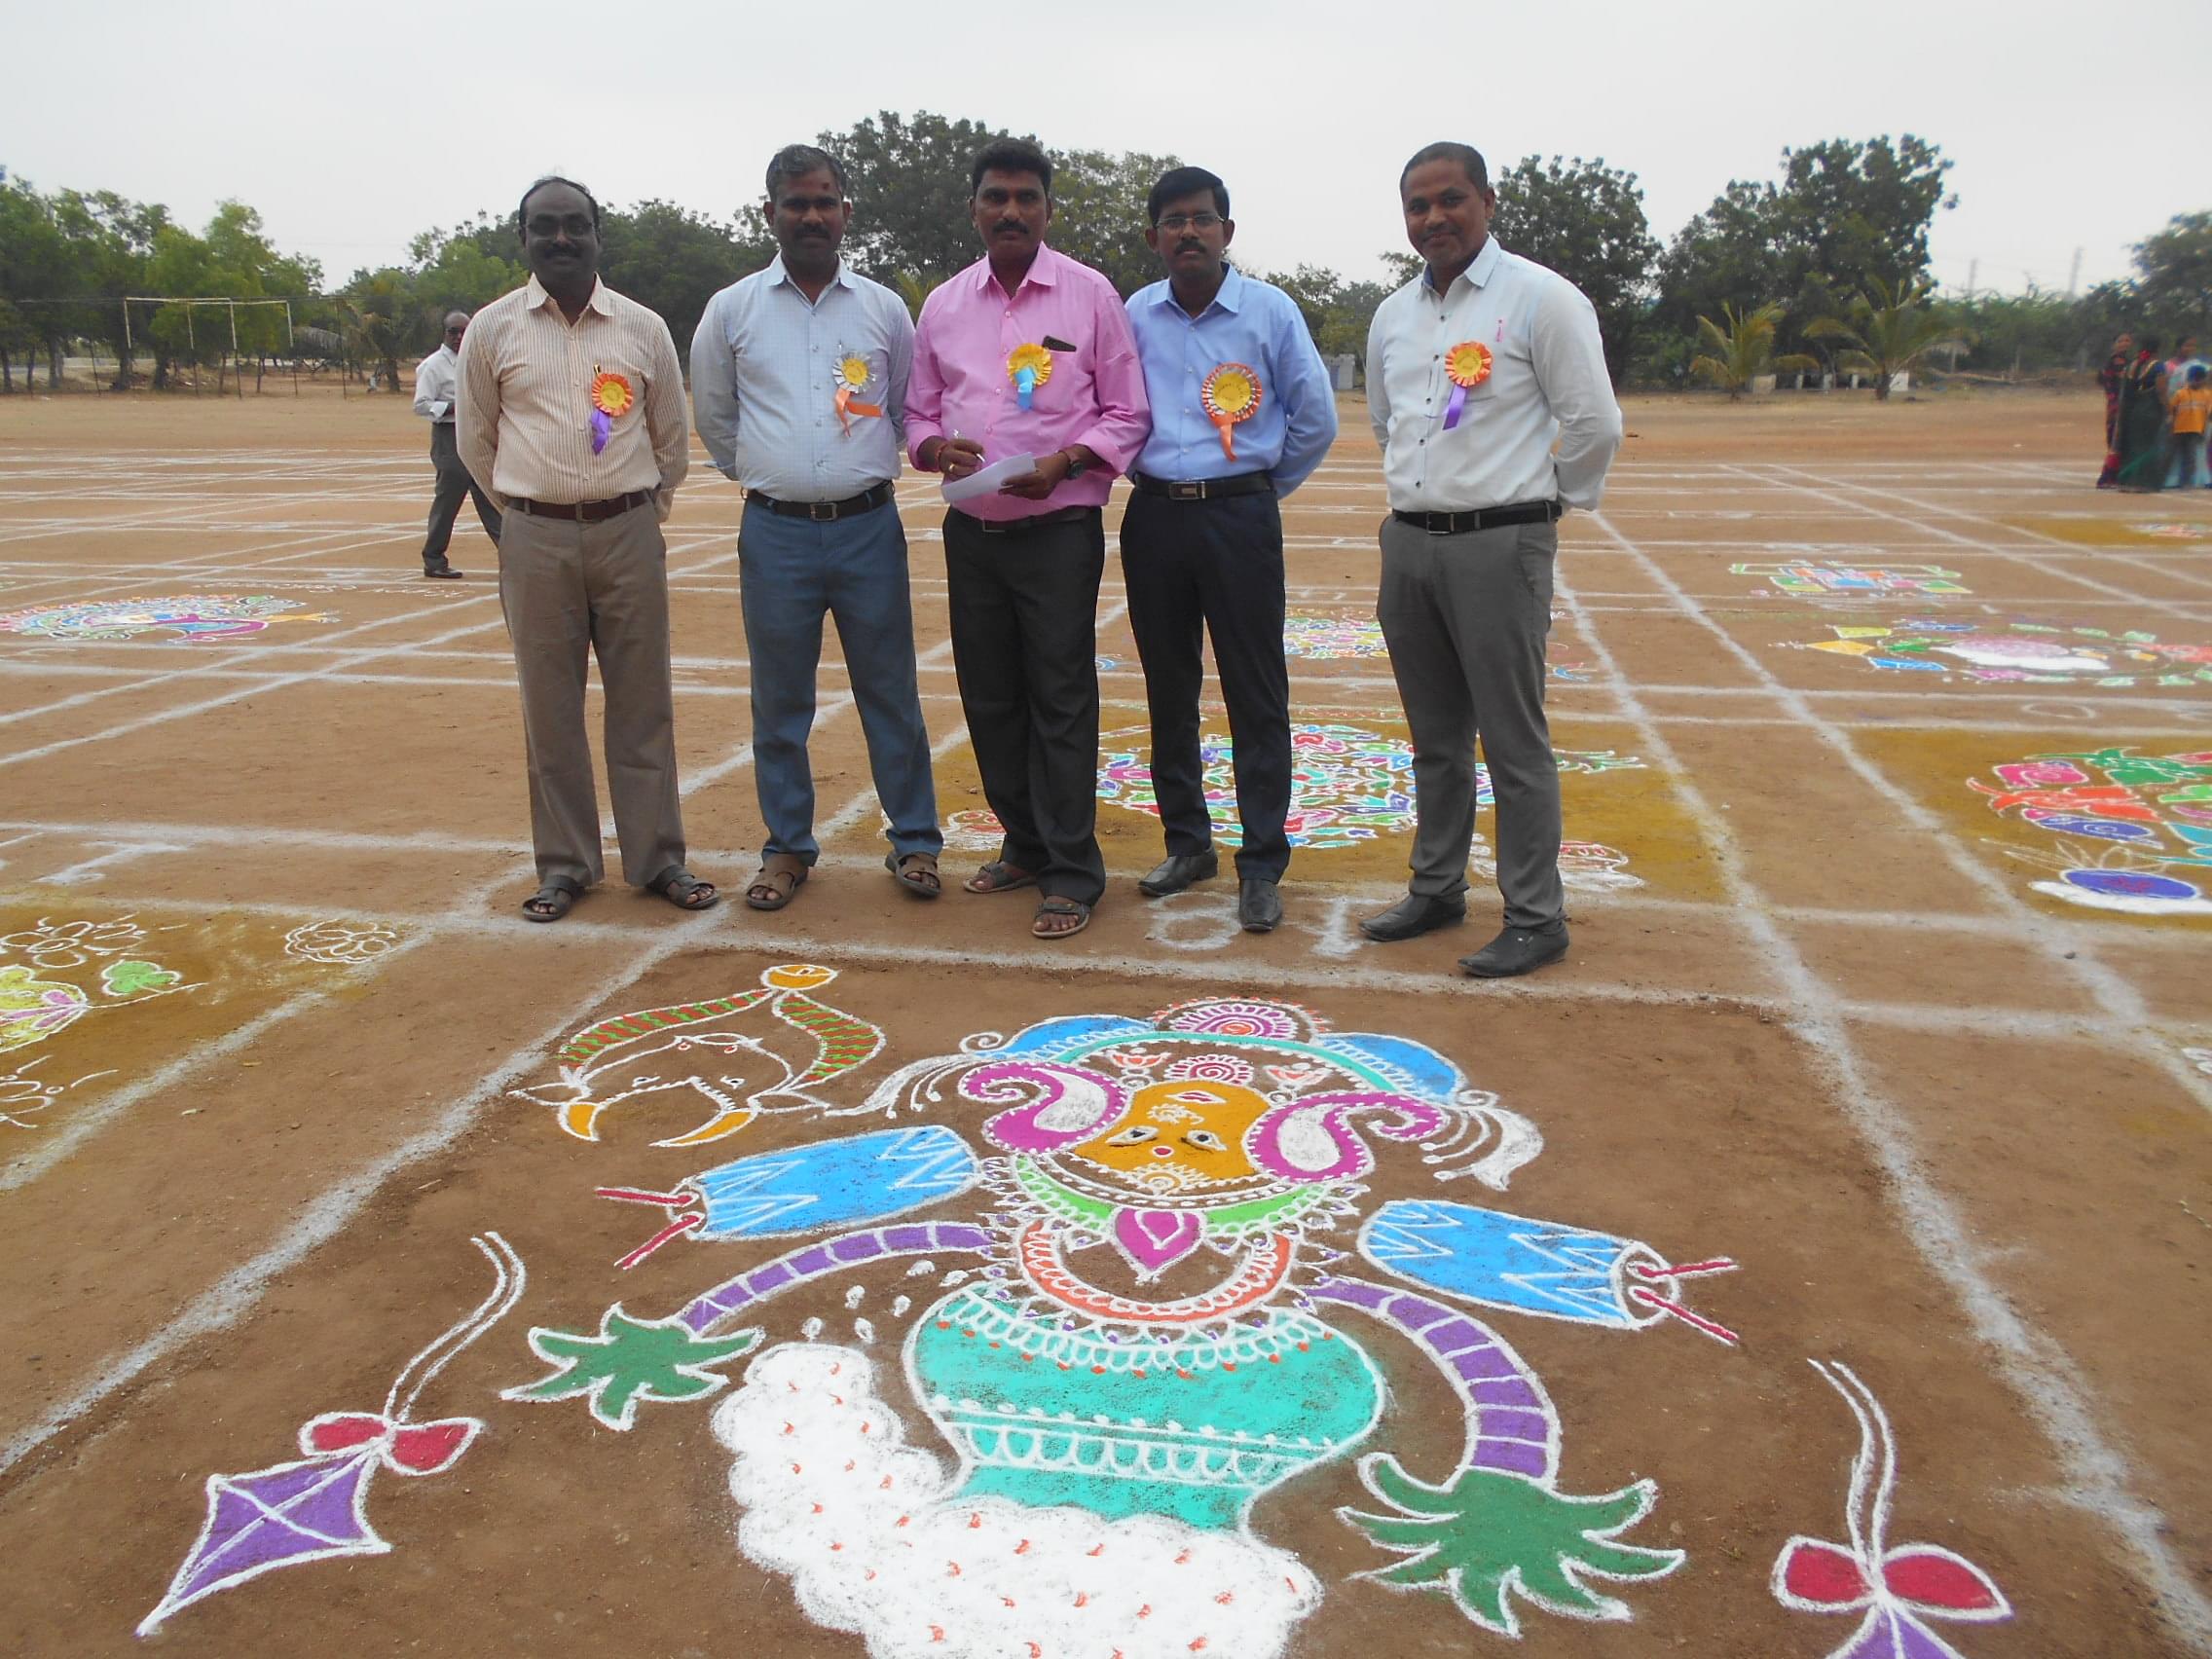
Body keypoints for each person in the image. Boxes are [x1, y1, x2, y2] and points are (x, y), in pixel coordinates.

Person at [1361, 140, 1622, 978]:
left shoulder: (1541, 298)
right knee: (1435, 738)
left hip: (1501, 542)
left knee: (1513, 740)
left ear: (1488, 201)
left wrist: (1543, 503)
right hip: (1410, 544)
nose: (1433, 218)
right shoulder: (1393, 315)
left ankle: (1536, 915)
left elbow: (1594, 424)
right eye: (1417, 206)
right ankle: (1437, 887)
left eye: (1450, 200)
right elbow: (1385, 422)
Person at [905, 138, 1150, 941]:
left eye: (1025, 197)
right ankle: (1025, 840)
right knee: (990, 694)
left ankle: (1073, 871)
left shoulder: (1089, 295)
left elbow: (1127, 414)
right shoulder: (943, 304)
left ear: (1047, 209)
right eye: (995, 197)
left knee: (1061, 694)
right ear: (973, 208)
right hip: (971, 530)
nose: (1010, 211)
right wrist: (937, 450)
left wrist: (1068, 461)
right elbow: (917, 414)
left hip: (1059, 529)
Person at [456, 175, 715, 922]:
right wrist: (525, 513)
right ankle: (566, 865)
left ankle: (658, 858)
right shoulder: (493, 330)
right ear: (524, 238)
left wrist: (640, 509)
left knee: (643, 704)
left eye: (575, 225)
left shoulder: (642, 328)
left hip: (629, 529)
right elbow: (477, 441)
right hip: (534, 535)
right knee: (550, 708)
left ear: (599, 234)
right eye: (545, 227)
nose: (561, 239)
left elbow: (670, 436)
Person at [691, 145, 942, 914]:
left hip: (869, 527)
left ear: (845, 214)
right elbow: (715, 417)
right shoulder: (732, 309)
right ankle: (788, 848)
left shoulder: (882, 308)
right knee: (780, 699)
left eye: (824, 201)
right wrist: (779, 479)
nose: (811, 216)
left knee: (890, 690)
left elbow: (903, 409)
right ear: (769, 213)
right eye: (796, 203)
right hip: (776, 536)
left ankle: (916, 842)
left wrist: (836, 476)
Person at [1122, 166, 1337, 934]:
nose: (1188, 232)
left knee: (1254, 688)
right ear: (1154, 238)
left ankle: (1261, 861)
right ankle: (1188, 844)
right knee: (1169, 687)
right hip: (1152, 518)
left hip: (1239, 516)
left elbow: (1314, 418)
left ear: (1228, 232)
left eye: (1202, 219)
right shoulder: (1134, 315)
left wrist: (1254, 491)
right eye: (1173, 220)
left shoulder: (1270, 312)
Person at [411, 311, 501, 577]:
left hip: (477, 433)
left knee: (491, 497)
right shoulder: (433, 365)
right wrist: (454, 407)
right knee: (448, 501)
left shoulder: (476, 358)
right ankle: (434, 559)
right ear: (445, 333)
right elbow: (421, 405)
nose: (459, 337)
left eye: (464, 331)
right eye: (453, 331)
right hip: (448, 437)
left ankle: (514, 557)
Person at [2113, 336, 2167, 491]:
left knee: (2130, 445)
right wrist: (2170, 411)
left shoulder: (2131, 365)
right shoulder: (2158, 366)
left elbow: (2124, 391)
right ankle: (2143, 482)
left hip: (2130, 410)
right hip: (2149, 410)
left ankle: (2126, 482)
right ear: (2158, 349)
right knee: (2147, 446)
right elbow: (2161, 392)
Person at [2096, 333, 2133, 489]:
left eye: (2127, 340)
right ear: (2114, 344)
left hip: (2119, 404)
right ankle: (2108, 478)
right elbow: (2126, 380)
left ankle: (2115, 476)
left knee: (2118, 440)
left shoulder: (2126, 361)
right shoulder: (2117, 361)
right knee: (2117, 441)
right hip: (2117, 405)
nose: (2124, 343)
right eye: (2121, 341)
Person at [2167, 363, 2212, 489]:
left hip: (2195, 430)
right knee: (2171, 455)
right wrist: (2171, 428)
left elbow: (2207, 415)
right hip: (2178, 429)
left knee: (2190, 457)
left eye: (2199, 379)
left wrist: (2203, 430)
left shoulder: (2207, 395)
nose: (2196, 382)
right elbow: (2172, 411)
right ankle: (2167, 480)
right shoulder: (2180, 394)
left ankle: (2186, 482)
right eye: (2193, 379)